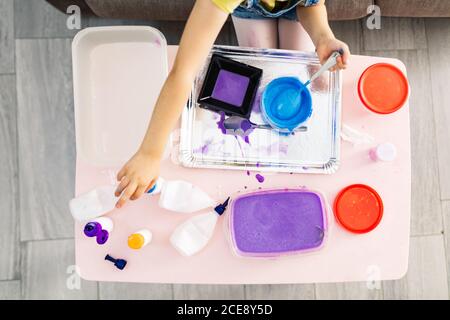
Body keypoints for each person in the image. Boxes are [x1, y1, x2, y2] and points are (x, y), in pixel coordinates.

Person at [114, 0, 350, 208]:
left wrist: (323, 37)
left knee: (294, 64)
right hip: (250, 10)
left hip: (294, 8)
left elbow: (310, 5)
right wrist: (150, 153)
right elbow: (184, 73)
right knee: (262, 66)